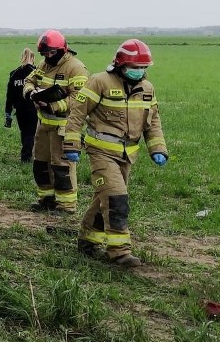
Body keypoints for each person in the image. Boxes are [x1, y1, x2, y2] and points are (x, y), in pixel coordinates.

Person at [63, 39, 168, 267]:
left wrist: (158, 148)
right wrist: (71, 145)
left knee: (104, 198)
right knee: (116, 199)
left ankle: (87, 240)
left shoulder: (147, 89)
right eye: (135, 67)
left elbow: (153, 122)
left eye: (143, 67)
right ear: (121, 64)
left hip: (127, 155)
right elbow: (77, 114)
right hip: (100, 152)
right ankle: (119, 251)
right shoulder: (99, 81)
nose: (139, 71)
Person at [22, 30, 88, 215]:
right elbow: (29, 79)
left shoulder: (76, 68)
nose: (48, 57)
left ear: (62, 49)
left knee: (62, 166)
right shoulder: (44, 64)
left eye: (51, 53)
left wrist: (53, 105)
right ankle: (47, 199)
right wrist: (30, 92)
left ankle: (66, 206)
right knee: (41, 164)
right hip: (43, 124)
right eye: (45, 53)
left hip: (64, 126)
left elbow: (79, 99)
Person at [4, 47, 38, 163]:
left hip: (19, 109)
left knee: (24, 132)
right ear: (33, 58)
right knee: (31, 132)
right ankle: (27, 156)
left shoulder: (14, 74)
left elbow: (10, 95)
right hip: (33, 108)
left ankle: (26, 154)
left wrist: (8, 112)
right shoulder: (36, 72)